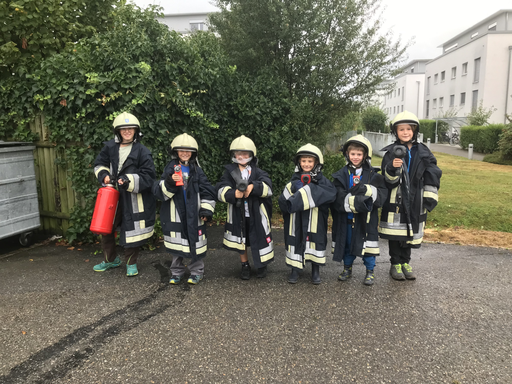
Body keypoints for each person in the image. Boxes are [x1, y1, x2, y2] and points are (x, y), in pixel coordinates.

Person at [379, 111, 442, 280]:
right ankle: (395, 264)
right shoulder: (390, 152)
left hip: (415, 198)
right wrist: (392, 168)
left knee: (409, 231)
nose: (405, 132)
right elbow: (387, 180)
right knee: (396, 232)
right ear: (395, 132)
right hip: (396, 198)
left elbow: (432, 171)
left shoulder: (423, 151)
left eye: (409, 129)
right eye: (401, 129)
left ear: (414, 131)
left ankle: (406, 262)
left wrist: (429, 196)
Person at [93, 112, 156, 277]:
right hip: (112, 195)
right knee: (106, 227)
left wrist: (128, 180)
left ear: (136, 131)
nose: (127, 131)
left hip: (133, 197)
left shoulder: (143, 151)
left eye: (130, 129)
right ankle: (110, 260)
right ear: (118, 131)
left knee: (131, 228)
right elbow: (99, 164)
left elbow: (148, 177)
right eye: (124, 129)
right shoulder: (110, 147)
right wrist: (104, 176)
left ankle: (131, 263)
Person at [152, 133, 216, 285]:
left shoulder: (197, 170)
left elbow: (207, 190)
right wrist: (170, 182)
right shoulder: (170, 168)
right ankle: (176, 272)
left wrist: (206, 210)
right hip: (175, 214)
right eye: (181, 150)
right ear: (176, 152)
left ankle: (196, 272)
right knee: (177, 245)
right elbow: (158, 192)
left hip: (194, 214)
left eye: (188, 151)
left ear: (193, 153)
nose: (185, 153)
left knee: (196, 243)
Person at [331, 135, 388, 286]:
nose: (355, 157)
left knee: (368, 246)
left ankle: (370, 271)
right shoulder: (340, 175)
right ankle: (347, 269)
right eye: (352, 154)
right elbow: (336, 198)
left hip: (366, 220)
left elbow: (381, 197)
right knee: (348, 245)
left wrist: (367, 190)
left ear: (365, 155)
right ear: (347, 155)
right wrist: (359, 202)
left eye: (359, 154)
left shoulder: (373, 176)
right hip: (347, 219)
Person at [216, 135, 274, 280]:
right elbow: (220, 190)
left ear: (251, 155)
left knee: (259, 238)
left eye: (245, 153)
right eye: (238, 153)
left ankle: (261, 264)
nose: (241, 156)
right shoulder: (229, 173)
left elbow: (268, 187)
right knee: (242, 240)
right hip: (239, 213)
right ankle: (245, 265)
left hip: (256, 213)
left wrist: (254, 187)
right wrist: (233, 193)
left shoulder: (258, 172)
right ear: (234, 154)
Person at [279, 144, 336, 284]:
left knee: (315, 242)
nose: (306, 164)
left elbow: (331, 195)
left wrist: (308, 190)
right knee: (295, 240)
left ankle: (315, 270)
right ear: (299, 162)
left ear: (317, 163)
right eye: (303, 161)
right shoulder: (294, 180)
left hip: (316, 219)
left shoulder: (323, 181)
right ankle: (294, 269)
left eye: (310, 161)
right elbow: (283, 201)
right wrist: (294, 188)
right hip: (296, 220)